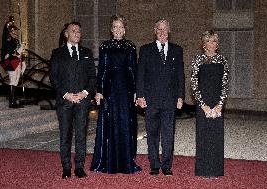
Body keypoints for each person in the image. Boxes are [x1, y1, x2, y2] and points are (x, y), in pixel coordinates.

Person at [90, 14, 141, 174]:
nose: (118, 30)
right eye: (115, 27)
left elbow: (134, 69)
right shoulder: (105, 46)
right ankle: (108, 161)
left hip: (126, 91)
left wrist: (136, 91)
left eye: (121, 27)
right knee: (110, 123)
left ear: (124, 30)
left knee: (126, 123)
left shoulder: (131, 46)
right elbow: (103, 70)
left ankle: (126, 161)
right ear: (111, 29)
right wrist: (99, 91)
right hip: (110, 91)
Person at [136, 18, 185, 176]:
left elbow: (180, 75)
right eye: (159, 29)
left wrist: (180, 96)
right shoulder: (145, 50)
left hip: (170, 101)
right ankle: (154, 166)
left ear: (169, 30)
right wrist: (140, 95)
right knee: (152, 135)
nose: (162, 32)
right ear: (155, 31)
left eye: (165, 29)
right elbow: (140, 74)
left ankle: (167, 166)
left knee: (168, 135)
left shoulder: (177, 50)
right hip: (150, 100)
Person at [50, 21, 96, 179]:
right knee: (65, 135)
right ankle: (66, 168)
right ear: (66, 34)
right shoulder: (57, 53)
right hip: (65, 101)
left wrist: (84, 93)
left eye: (79, 31)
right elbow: (54, 78)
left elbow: (92, 77)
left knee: (81, 135)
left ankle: (79, 167)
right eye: (73, 30)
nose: (77, 33)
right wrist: (66, 94)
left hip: (82, 101)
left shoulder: (87, 52)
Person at [191, 30, 229, 178]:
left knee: (216, 136)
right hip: (203, 103)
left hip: (217, 102)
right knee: (204, 136)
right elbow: (194, 84)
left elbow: (225, 84)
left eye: (214, 41)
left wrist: (220, 104)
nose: (212, 44)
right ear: (204, 43)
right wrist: (203, 105)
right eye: (209, 41)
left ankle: (216, 170)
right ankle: (203, 170)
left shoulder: (222, 60)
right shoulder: (198, 59)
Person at [0, 16, 26, 108]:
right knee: (12, 80)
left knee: (16, 81)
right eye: (13, 31)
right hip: (11, 63)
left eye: (16, 31)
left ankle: (14, 99)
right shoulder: (9, 41)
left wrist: (23, 62)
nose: (15, 33)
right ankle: (11, 101)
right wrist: (21, 48)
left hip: (17, 62)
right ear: (9, 32)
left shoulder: (17, 41)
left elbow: (20, 54)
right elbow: (13, 53)